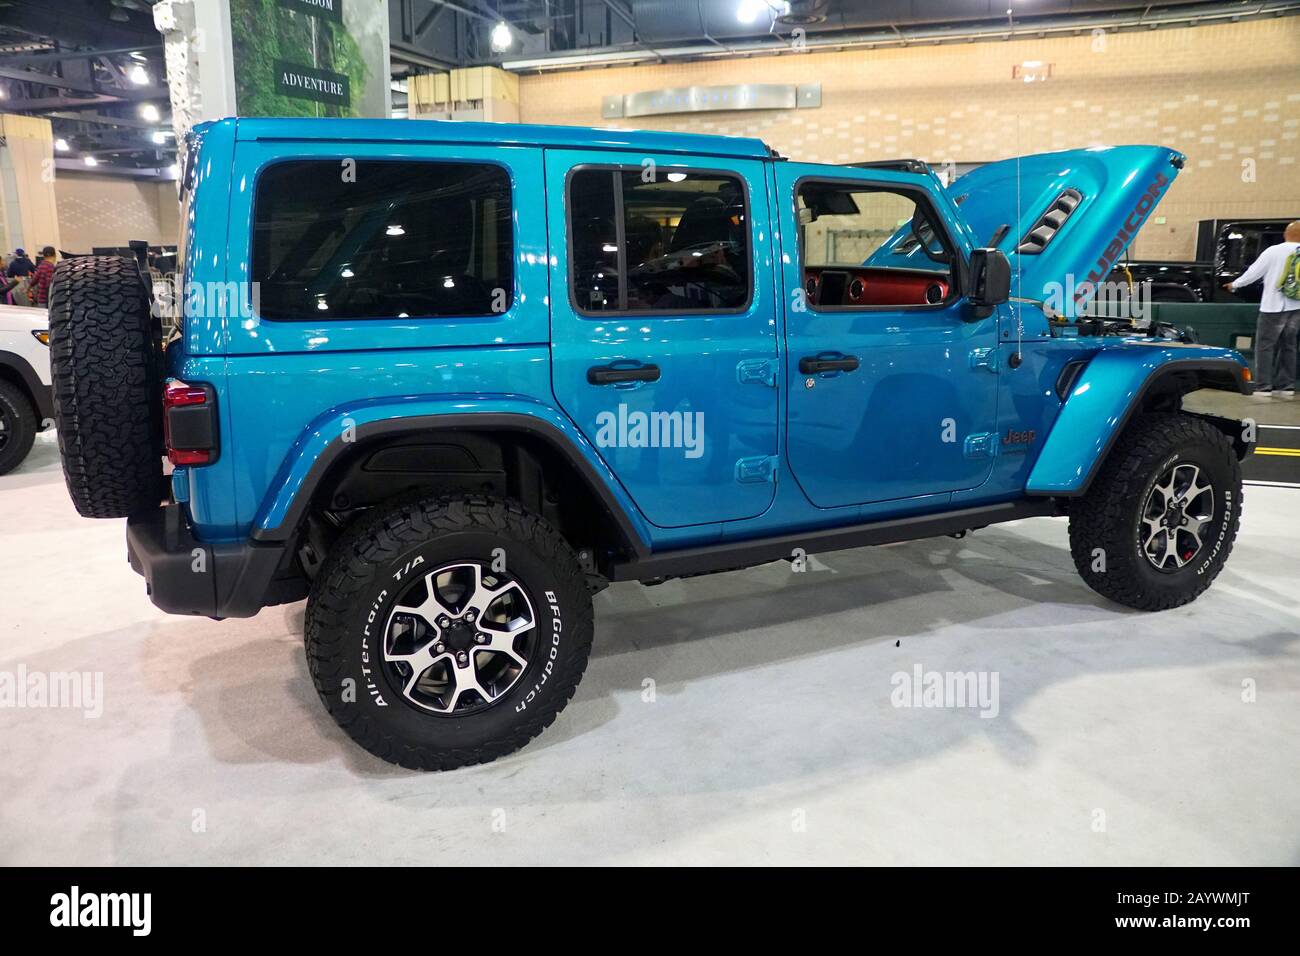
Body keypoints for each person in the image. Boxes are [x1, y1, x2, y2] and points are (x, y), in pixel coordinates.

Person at [1226, 221, 1300, 399]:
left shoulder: (1274, 251)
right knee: (1289, 346)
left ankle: (1263, 387)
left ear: (1285, 234)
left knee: (1265, 346)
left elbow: (1254, 272)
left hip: (1273, 306)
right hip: (1297, 306)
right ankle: (1286, 386)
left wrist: (1235, 284)